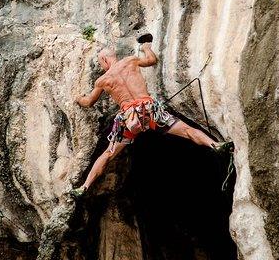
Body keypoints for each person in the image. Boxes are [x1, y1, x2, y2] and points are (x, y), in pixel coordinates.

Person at [71, 40, 232, 197]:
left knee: (107, 154)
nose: (102, 67)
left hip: (129, 119)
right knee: (188, 130)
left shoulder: (102, 80)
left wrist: (78, 98)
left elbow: (89, 102)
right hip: (150, 112)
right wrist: (146, 47)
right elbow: (152, 60)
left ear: (104, 60)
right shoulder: (131, 61)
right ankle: (215, 145)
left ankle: (84, 187)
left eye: (101, 64)